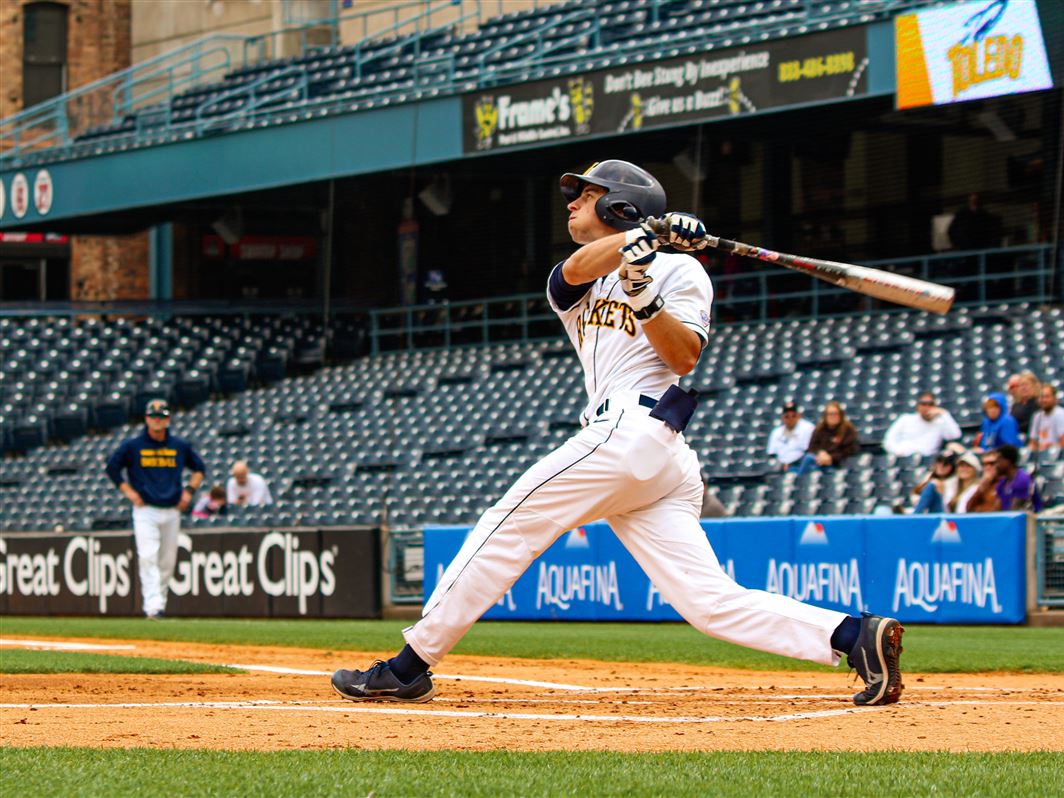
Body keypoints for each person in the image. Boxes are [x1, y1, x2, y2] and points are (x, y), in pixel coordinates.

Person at [331, 159, 904, 707]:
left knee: (506, 525)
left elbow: (683, 359)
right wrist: (644, 240)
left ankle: (407, 668)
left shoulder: (683, 270)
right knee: (708, 603)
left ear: (622, 206)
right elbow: (575, 272)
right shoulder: (581, 274)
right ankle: (855, 636)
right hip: (638, 448)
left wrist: (646, 291)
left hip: (637, 433)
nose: (574, 201)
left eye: (587, 193)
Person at [105, 399, 205, 619]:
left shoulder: (179, 445)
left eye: (161, 417)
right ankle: (153, 607)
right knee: (148, 556)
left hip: (172, 509)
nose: (157, 420)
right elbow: (112, 468)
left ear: (168, 420)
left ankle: (159, 602)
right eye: (153, 417)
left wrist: (188, 491)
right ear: (146, 419)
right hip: (146, 510)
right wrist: (129, 492)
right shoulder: (133, 446)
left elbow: (199, 469)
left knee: (167, 560)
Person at [883, 392, 962, 457]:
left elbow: (955, 435)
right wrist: (898, 451)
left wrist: (944, 414)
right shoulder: (906, 419)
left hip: (929, 459)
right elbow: (888, 440)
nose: (927, 407)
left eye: (930, 404)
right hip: (904, 456)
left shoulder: (940, 423)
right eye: (923, 404)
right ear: (918, 406)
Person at [798, 400, 859, 474]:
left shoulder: (848, 430)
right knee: (810, 462)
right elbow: (812, 447)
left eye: (835, 414)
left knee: (809, 460)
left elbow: (850, 451)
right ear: (825, 416)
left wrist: (831, 457)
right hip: (819, 462)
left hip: (838, 465)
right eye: (830, 414)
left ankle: (797, 481)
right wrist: (820, 453)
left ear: (840, 415)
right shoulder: (819, 429)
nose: (832, 416)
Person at [984, 444, 1042, 512]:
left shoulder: (1022, 479)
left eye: (998, 461)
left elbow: (1014, 513)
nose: (996, 466)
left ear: (1007, 461)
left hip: (1026, 520)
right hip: (1007, 519)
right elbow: (996, 510)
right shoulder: (1003, 483)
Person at [766, 401, 815, 471]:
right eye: (787, 416)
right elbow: (772, 454)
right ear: (782, 417)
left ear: (799, 415)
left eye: (793, 416)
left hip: (800, 465)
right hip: (780, 466)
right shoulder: (776, 432)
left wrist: (789, 464)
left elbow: (809, 451)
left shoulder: (808, 428)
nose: (790, 419)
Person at [1028, 383, 1064, 452]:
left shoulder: (1061, 415)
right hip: (1041, 456)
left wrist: (1050, 446)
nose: (1043, 400)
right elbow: (1032, 442)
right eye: (1041, 397)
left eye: (1047, 397)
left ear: (1055, 398)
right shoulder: (1037, 416)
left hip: (1058, 456)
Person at [910, 449, 959, 514]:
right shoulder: (929, 477)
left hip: (946, 514)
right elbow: (915, 496)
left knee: (932, 485)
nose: (941, 466)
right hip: (928, 512)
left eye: (946, 463)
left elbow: (950, 504)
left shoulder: (955, 480)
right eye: (939, 461)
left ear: (953, 466)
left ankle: (915, 518)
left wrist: (941, 493)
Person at [1007, 371, 1039, 435]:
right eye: (1021, 385)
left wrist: (1015, 428)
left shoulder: (1038, 403)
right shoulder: (1016, 405)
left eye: (1026, 384)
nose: (1023, 388)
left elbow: (1032, 423)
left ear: (1034, 386)